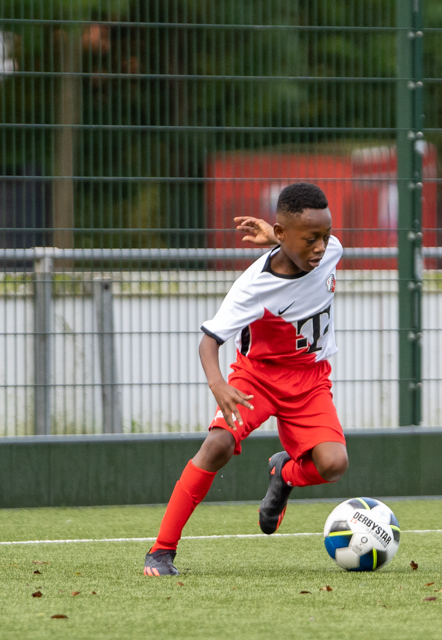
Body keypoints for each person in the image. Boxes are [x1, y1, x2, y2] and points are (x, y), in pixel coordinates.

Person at [144, 182, 348, 576]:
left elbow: (307, 240)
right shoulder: (253, 287)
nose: (322, 247)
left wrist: (283, 237)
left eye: (325, 236)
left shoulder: (329, 252)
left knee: (334, 464)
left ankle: (284, 473)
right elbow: (208, 343)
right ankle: (161, 550)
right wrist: (218, 384)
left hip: (310, 381)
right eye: (311, 239)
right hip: (258, 378)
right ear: (285, 232)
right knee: (217, 445)